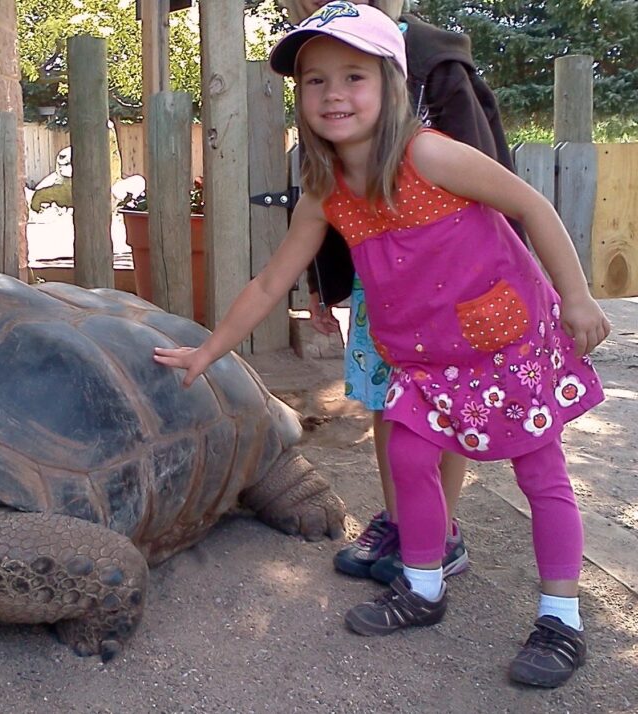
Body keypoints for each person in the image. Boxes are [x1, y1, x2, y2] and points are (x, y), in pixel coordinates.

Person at [153, 1, 610, 687]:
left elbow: (530, 206)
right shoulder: (326, 191)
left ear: (391, 84)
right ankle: (423, 586)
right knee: (406, 450)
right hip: (424, 358)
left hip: (504, 342)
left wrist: (576, 296)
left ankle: (560, 618)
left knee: (539, 470)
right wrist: (208, 350)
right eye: (315, 80)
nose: (334, 94)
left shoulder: (429, 153)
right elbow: (270, 279)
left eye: (354, 77)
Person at [292, 0, 523, 587]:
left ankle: (441, 533)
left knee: (444, 403)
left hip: (450, 287)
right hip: (381, 283)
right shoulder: (318, 61)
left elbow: (489, 177)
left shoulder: (437, 64)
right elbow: (325, 190)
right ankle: (401, 519)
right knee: (386, 400)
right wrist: (324, 283)